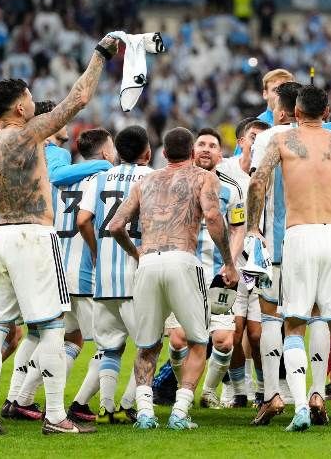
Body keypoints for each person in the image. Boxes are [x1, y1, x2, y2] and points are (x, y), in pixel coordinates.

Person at [0, 33, 118, 436]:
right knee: (54, 325)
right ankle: (55, 416)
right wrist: (100, 55)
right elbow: (78, 99)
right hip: (34, 236)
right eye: (30, 97)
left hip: (2, 236)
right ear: (21, 106)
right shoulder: (28, 133)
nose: (34, 102)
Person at [246, 84, 331, 432]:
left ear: (295, 112)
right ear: (327, 113)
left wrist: (252, 228)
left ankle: (299, 406)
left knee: (294, 323)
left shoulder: (281, 141)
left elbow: (257, 183)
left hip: (297, 235)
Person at [108, 127, 239, 431]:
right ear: (192, 153)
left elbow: (115, 226)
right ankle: (180, 411)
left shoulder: (145, 181)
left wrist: (136, 253)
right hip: (182, 259)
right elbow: (213, 216)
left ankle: (144, 412)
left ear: (163, 153)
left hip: (148, 263)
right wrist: (229, 262)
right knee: (198, 340)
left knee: (148, 343)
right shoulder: (203, 177)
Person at [166, 128, 245, 409]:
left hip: (217, 275)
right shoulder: (174, 181)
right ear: (192, 150)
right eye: (201, 144)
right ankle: (183, 389)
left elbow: (238, 227)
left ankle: (208, 391)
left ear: (220, 154)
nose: (206, 149)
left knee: (223, 341)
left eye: (212, 145)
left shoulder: (231, 188)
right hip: (181, 273)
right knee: (178, 340)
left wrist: (230, 262)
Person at [77, 125, 151, 424]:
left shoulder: (99, 178)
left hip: (104, 275)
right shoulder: (151, 177)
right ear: (147, 152)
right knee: (148, 344)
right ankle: (128, 404)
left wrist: (96, 250)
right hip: (137, 272)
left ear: (117, 152)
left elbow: (83, 220)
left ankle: (106, 408)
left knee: (110, 346)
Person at [247, 81, 302, 426]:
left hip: (275, 243)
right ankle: (313, 396)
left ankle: (272, 395)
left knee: (270, 318)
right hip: (312, 239)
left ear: (281, 111)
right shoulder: (326, 139)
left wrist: (253, 229)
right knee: (312, 318)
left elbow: (257, 182)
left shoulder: (269, 137)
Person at [54, 128, 115, 423]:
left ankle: (20, 397)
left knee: (68, 338)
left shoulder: (61, 181)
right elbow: (89, 222)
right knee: (110, 344)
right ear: (104, 152)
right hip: (87, 273)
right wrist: (97, 251)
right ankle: (79, 404)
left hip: (58, 271)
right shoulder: (104, 179)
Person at [220, 117, 269, 407]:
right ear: (241, 142)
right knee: (234, 332)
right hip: (235, 263)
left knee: (259, 333)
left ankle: (264, 389)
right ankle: (238, 390)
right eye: (253, 137)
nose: (258, 143)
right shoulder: (224, 170)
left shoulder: (275, 172)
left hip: (264, 264)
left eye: (263, 138)